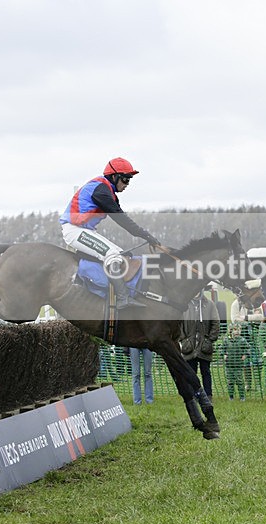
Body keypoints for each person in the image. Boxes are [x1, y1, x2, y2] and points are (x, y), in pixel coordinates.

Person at [59, 157, 160, 309]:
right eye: (125, 180)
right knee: (113, 255)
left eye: (129, 181)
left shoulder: (108, 192)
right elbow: (122, 220)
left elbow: (122, 216)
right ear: (114, 176)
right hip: (74, 230)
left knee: (120, 255)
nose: (127, 185)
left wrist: (145, 235)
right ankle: (122, 298)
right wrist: (146, 235)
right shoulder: (101, 190)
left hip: (84, 230)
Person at [180, 289, 221, 399]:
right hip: (189, 346)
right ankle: (193, 396)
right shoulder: (184, 305)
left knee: (206, 372)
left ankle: (208, 396)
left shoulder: (210, 304)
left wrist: (210, 340)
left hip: (204, 346)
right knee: (191, 373)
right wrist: (184, 340)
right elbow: (179, 324)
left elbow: (216, 323)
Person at [220, 323, 250, 401]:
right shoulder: (226, 340)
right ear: (231, 331)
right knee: (230, 382)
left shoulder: (242, 340)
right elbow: (222, 349)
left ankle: (242, 397)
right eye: (235, 330)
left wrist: (245, 354)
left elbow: (248, 348)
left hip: (239, 365)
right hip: (229, 365)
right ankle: (231, 396)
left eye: (239, 330)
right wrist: (223, 354)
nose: (237, 332)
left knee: (240, 381)